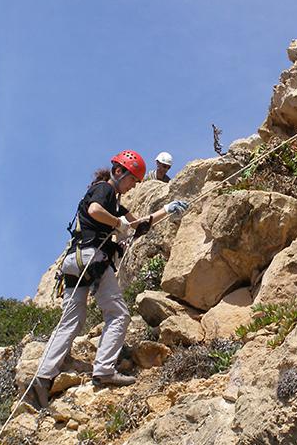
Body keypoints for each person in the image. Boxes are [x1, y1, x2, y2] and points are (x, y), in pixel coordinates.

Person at [30, 150, 189, 409]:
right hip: (92, 258)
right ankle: (103, 370)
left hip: (75, 262)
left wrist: (167, 210)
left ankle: (43, 377)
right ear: (118, 171)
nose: (133, 185)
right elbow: (95, 210)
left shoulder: (115, 201)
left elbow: (138, 224)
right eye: (132, 180)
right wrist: (117, 223)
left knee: (72, 321)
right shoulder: (104, 189)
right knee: (118, 314)